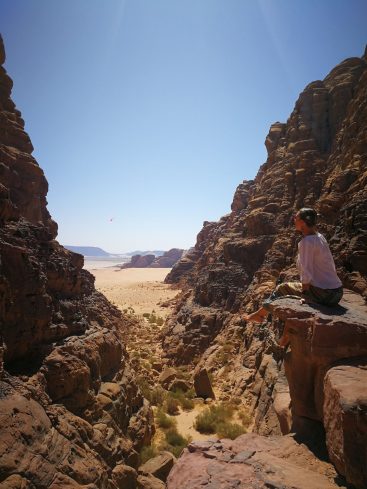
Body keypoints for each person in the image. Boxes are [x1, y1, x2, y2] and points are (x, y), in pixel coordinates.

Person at [244, 208, 343, 344]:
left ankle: (261, 316)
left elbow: (306, 272)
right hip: (337, 292)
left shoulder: (307, 242)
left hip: (325, 294)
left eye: (296, 218)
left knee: (282, 289)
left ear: (302, 222)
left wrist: (306, 295)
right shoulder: (319, 237)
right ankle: (264, 318)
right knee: (290, 290)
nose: (293, 220)